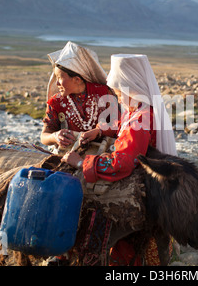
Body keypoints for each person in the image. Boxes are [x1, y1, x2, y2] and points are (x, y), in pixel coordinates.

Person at [61, 53, 177, 265]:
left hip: (138, 189)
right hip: (144, 182)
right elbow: (122, 124)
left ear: (132, 88)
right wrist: (99, 130)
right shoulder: (141, 109)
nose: (117, 96)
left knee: (84, 201)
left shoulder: (141, 119)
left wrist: (81, 162)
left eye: (119, 92)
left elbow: (121, 163)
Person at [40, 41, 116, 152]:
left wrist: (99, 131)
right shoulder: (56, 102)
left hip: (104, 153)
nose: (57, 84)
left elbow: (117, 123)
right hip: (70, 155)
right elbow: (44, 136)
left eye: (59, 78)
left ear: (77, 79)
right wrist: (55, 137)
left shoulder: (103, 93)